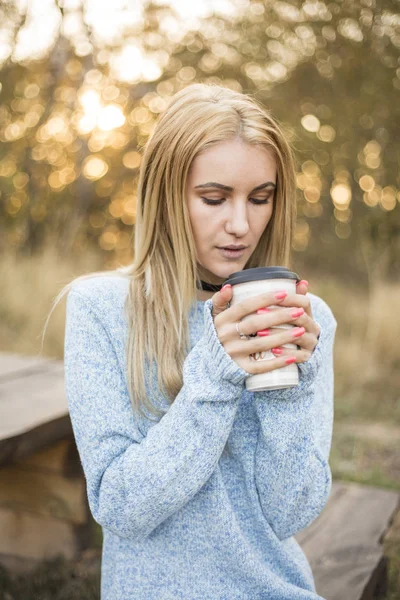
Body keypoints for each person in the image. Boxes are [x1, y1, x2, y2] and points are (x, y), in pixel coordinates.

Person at [51, 83, 337, 599]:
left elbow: (290, 512)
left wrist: (291, 389)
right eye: (213, 198)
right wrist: (214, 374)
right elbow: (120, 509)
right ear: (166, 193)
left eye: (260, 198)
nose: (240, 224)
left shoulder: (305, 317)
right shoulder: (101, 310)